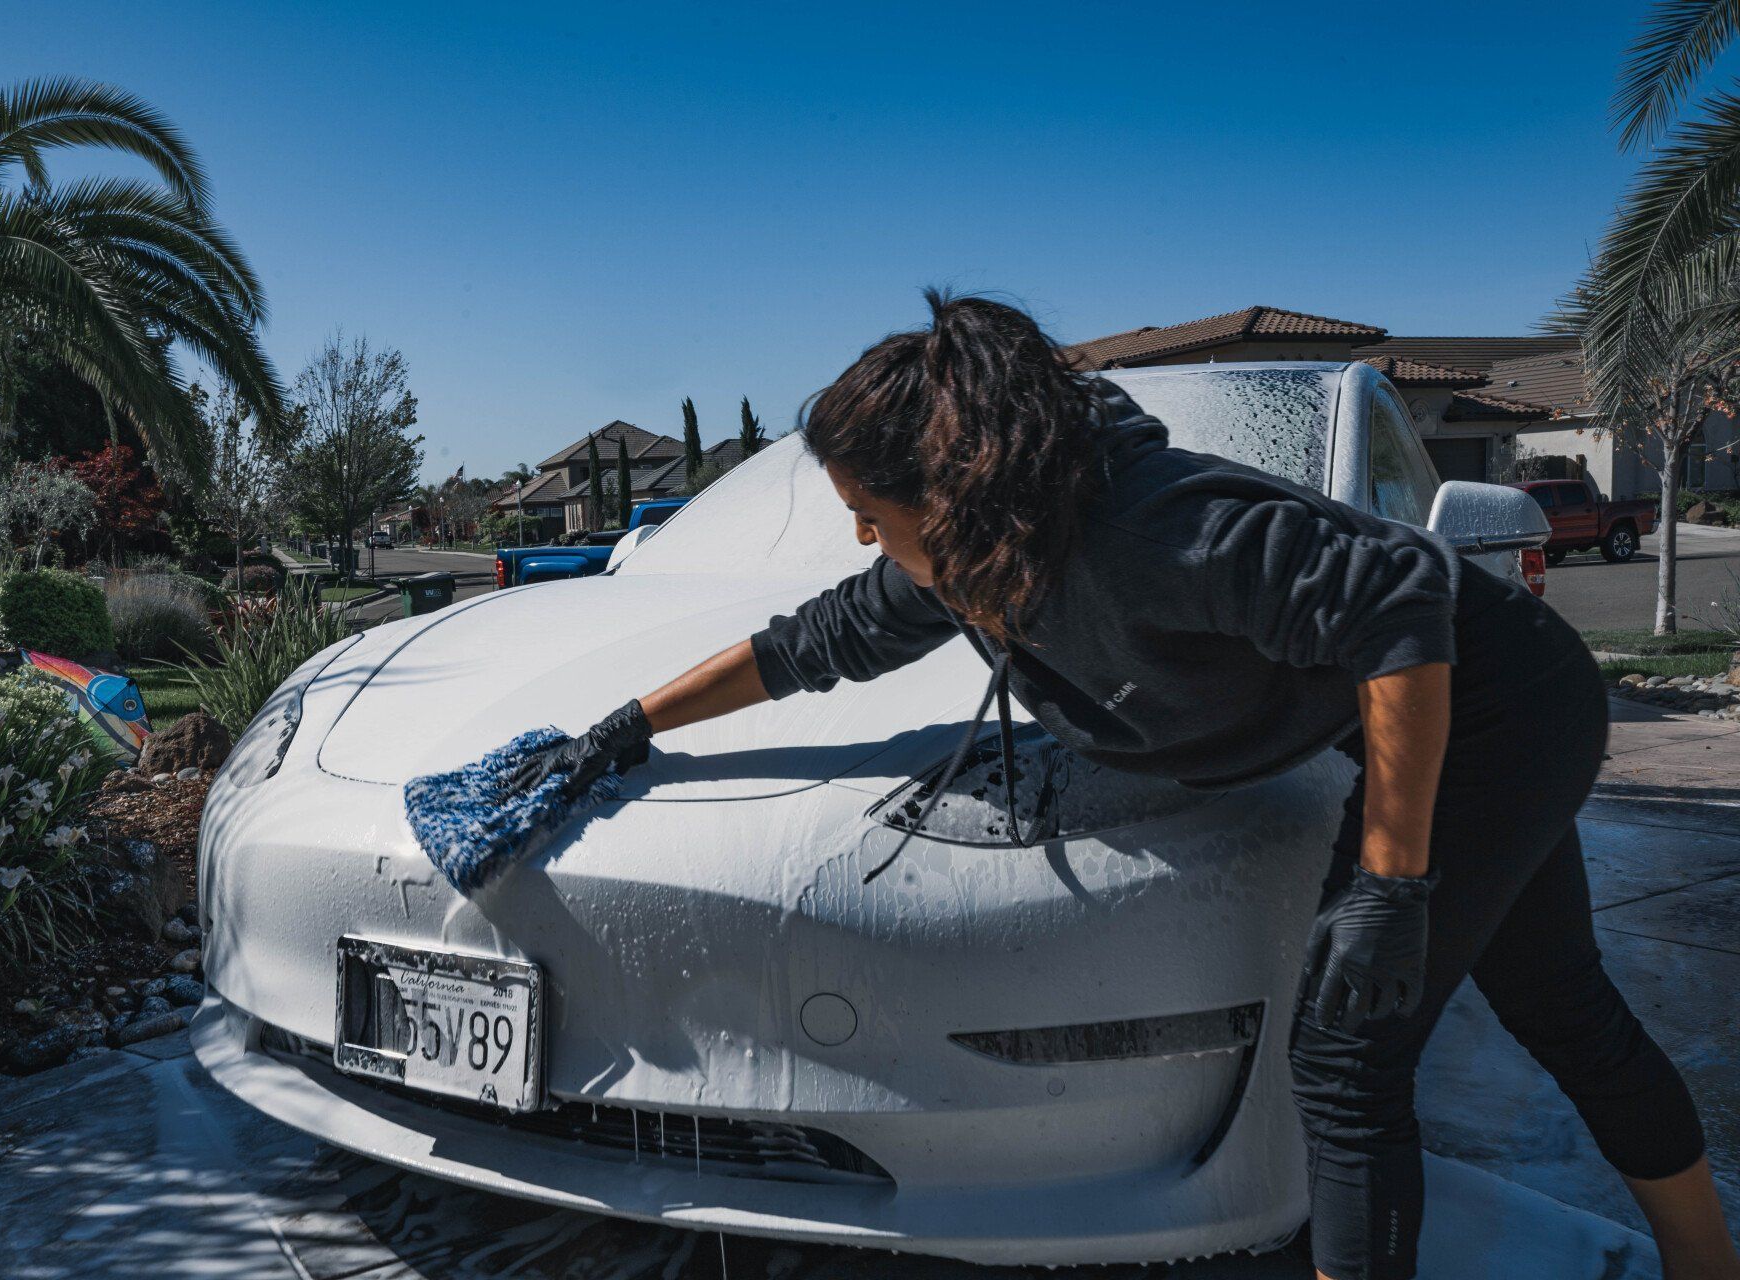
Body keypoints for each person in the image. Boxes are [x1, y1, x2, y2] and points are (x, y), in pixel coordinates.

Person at [506, 293, 1736, 1280]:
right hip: (1444, 705)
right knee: (1561, 1004)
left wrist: (1392, 883)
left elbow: (1400, 603)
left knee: (1348, 1055)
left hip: (1503, 703)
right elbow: (801, 646)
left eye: (872, 513)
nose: (866, 540)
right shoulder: (964, 558)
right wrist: (624, 726)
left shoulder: (1150, 526)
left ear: (949, 485)